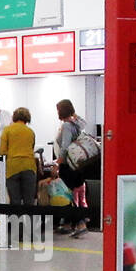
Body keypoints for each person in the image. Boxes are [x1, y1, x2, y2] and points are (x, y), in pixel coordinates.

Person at [54, 99, 94, 238]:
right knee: (76, 194)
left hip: (68, 165)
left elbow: (64, 146)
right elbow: (84, 123)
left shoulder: (66, 126)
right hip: (78, 165)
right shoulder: (77, 124)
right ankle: (68, 223)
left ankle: (80, 223)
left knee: (68, 195)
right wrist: (74, 114)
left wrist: (57, 163)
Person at [0, 106, 38, 244]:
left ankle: (16, 234)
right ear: (27, 119)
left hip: (12, 168)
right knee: (28, 202)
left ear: (14, 117)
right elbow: (32, 148)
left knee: (15, 201)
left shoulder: (7, 130)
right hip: (29, 167)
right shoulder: (30, 132)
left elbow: (2, 151)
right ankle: (29, 234)